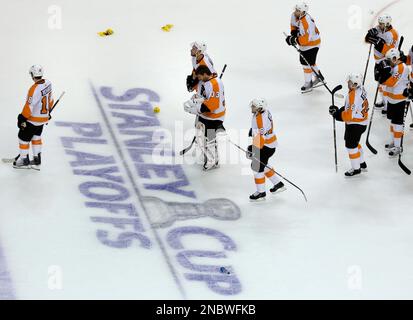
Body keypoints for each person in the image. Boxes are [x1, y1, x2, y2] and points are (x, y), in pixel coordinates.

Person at [183, 65, 225, 170]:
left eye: (200, 77)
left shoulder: (215, 84)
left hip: (214, 117)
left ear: (205, 74)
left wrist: (194, 110)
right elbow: (206, 98)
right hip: (206, 115)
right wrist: (197, 99)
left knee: (209, 139)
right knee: (203, 138)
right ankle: (212, 158)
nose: (199, 79)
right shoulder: (207, 82)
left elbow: (212, 105)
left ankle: (212, 161)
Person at [13, 65, 54, 170]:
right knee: (36, 137)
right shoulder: (48, 83)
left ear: (32, 75)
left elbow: (29, 106)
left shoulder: (34, 89)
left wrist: (22, 117)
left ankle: (24, 160)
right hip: (42, 120)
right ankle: (36, 161)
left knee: (23, 138)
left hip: (33, 120)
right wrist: (47, 112)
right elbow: (51, 99)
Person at [329, 74, 369, 177]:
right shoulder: (360, 89)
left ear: (355, 84)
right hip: (361, 122)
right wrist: (340, 109)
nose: (348, 83)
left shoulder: (353, 95)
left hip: (355, 125)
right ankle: (362, 163)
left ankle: (356, 169)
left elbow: (348, 116)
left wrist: (336, 114)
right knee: (355, 143)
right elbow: (352, 107)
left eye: (350, 82)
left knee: (351, 146)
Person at [247, 98, 285, 201]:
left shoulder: (260, 118)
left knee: (256, 166)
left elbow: (261, 136)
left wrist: (253, 149)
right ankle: (278, 183)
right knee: (262, 164)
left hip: (266, 146)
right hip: (270, 144)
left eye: (254, 106)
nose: (252, 107)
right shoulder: (263, 113)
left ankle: (261, 192)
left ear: (259, 108)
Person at [375, 48, 410, 156]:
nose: (388, 62)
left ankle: (398, 147)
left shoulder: (401, 68)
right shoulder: (394, 66)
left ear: (395, 58)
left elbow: (391, 83)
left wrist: (383, 76)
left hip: (399, 100)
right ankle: (394, 142)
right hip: (391, 99)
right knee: (392, 122)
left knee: (398, 124)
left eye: (389, 60)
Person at [365, 13, 400, 115]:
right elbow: (367, 40)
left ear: (387, 24)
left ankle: (388, 106)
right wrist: (369, 36)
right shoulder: (378, 29)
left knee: (385, 84)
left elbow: (389, 51)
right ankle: (384, 102)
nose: (380, 25)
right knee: (380, 83)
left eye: (382, 24)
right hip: (378, 60)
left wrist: (378, 41)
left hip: (387, 61)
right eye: (379, 23)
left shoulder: (393, 34)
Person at [285, 2, 322, 93]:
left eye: (298, 10)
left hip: (313, 44)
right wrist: (293, 33)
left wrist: (294, 40)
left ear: (303, 12)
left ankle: (308, 83)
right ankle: (319, 77)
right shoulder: (294, 15)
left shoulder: (307, 22)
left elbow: (306, 39)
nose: (295, 12)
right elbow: (293, 25)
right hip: (305, 43)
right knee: (310, 62)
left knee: (305, 62)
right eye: (296, 9)